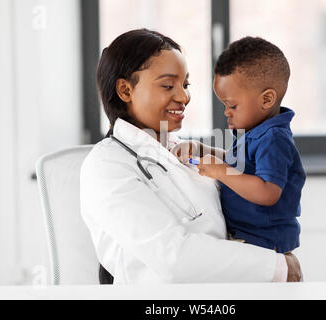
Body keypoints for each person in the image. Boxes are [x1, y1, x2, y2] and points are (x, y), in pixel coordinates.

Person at [80, 29, 302, 284]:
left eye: (185, 85)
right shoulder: (107, 165)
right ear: (125, 90)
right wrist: (277, 267)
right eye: (167, 85)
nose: (184, 97)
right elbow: (173, 257)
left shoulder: (181, 150)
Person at [172, 37, 306, 255]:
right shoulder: (256, 130)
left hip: (265, 244)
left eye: (232, 105)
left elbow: (267, 192)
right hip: (247, 239)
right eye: (224, 105)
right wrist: (200, 149)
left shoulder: (274, 139)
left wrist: (221, 171)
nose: (226, 112)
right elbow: (240, 163)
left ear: (267, 99)